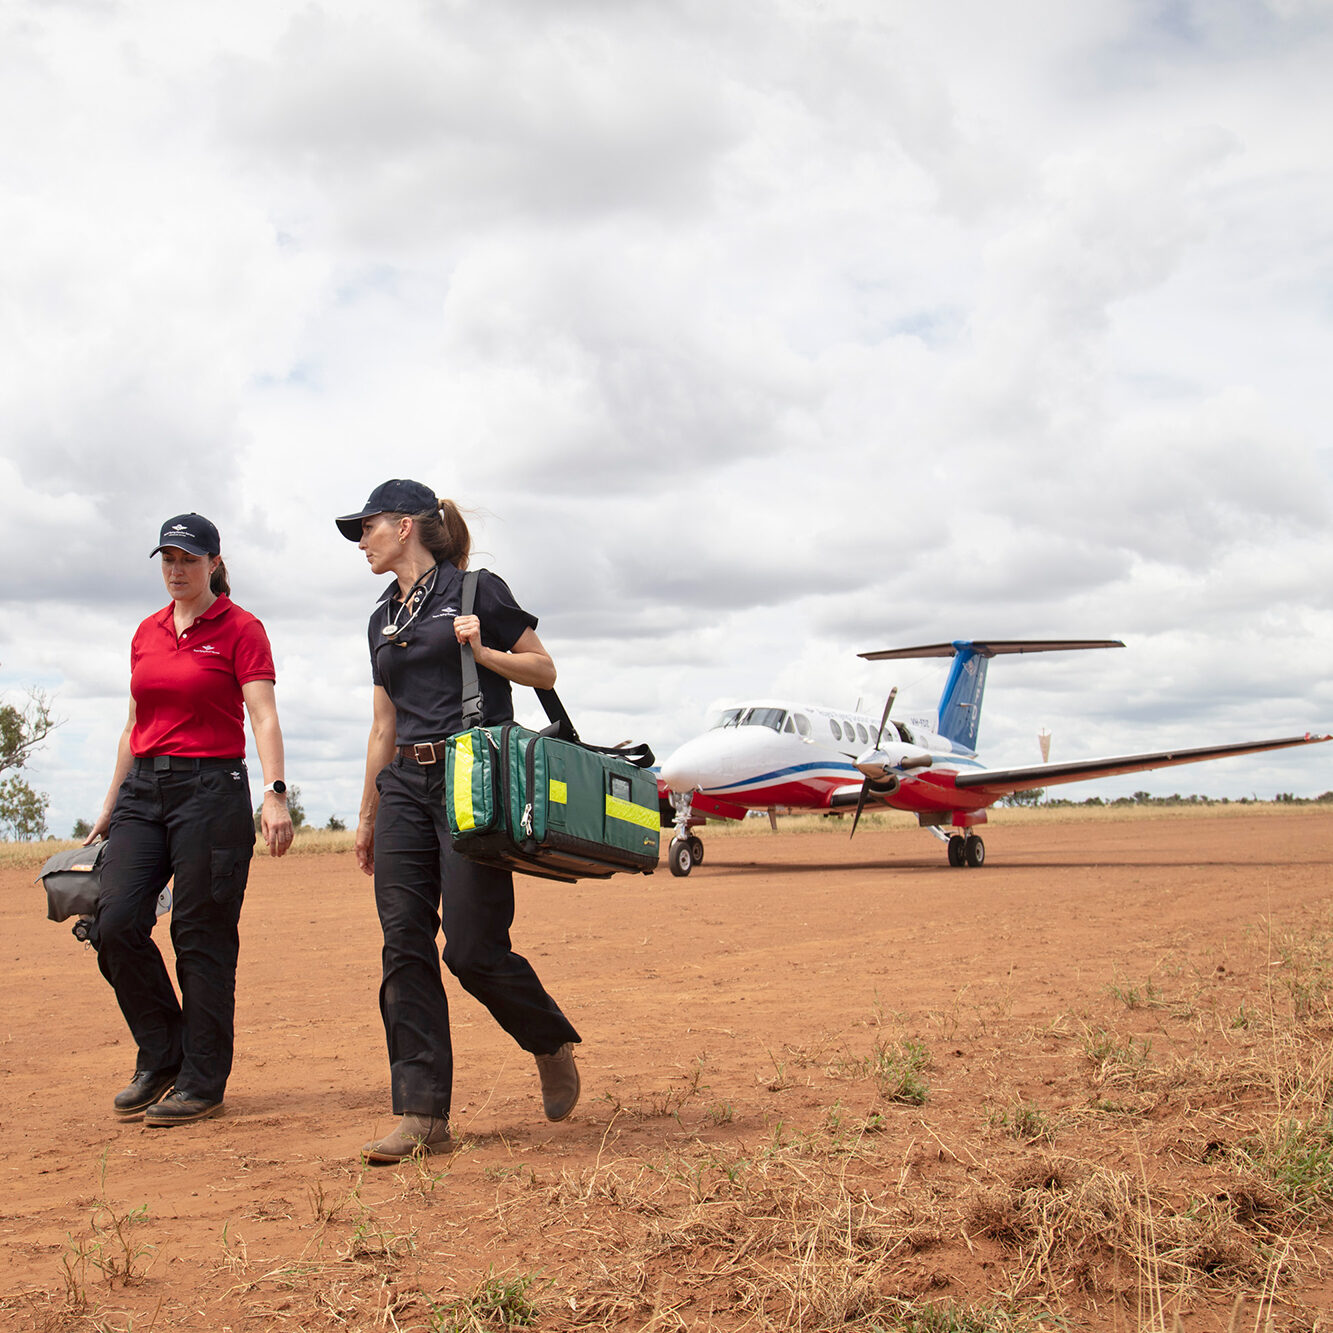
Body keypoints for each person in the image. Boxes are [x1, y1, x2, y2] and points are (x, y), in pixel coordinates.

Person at [336, 479, 580, 1163]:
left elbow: (543, 667)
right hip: (404, 788)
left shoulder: (478, 593)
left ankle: (546, 1037)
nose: (361, 540)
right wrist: (366, 815)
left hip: (472, 777)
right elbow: (382, 723)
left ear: (406, 524)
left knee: (472, 948)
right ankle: (422, 1115)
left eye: (369, 526)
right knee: (402, 943)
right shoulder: (380, 616)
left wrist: (484, 652)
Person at [84, 513, 292, 1126]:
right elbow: (132, 725)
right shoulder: (145, 632)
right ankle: (162, 1055)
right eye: (168, 560)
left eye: (189, 560)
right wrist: (109, 803)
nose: (177, 571)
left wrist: (275, 791)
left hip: (211, 789)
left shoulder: (241, 628)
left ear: (214, 564)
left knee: (199, 936)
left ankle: (202, 1079)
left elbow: (264, 716)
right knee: (115, 923)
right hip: (143, 793)